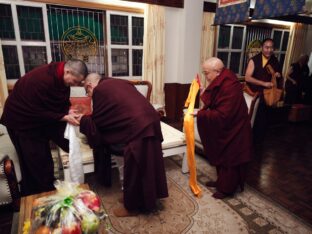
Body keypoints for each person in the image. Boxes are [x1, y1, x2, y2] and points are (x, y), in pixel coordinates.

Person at [78, 73, 168, 217]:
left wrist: (83, 120)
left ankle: (132, 207)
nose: (89, 95)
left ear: (89, 86)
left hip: (139, 128)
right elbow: (116, 112)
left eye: (87, 92)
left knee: (135, 167)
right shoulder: (120, 82)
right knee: (147, 166)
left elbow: (99, 120)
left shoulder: (100, 90)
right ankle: (137, 198)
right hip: (151, 121)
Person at [0, 59, 88, 196]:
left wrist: (66, 111)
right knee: (34, 159)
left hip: (39, 119)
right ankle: (38, 193)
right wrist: (62, 116)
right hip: (22, 120)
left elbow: (57, 101)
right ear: (68, 71)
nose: (75, 85)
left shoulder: (61, 78)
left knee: (45, 157)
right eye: (75, 81)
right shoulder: (42, 80)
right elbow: (36, 110)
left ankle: (47, 186)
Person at [197, 58, 252, 199]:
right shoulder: (221, 79)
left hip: (235, 129)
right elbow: (216, 100)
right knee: (220, 152)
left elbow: (223, 114)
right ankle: (221, 182)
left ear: (217, 72)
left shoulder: (230, 85)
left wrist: (201, 113)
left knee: (230, 158)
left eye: (206, 73)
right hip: (227, 126)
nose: (206, 76)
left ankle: (227, 189)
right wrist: (204, 91)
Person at [245, 38, 283, 142]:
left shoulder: (275, 60)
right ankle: (249, 141)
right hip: (255, 94)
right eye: (266, 47)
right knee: (254, 119)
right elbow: (247, 78)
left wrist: (277, 75)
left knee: (264, 120)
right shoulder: (254, 60)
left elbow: (278, 75)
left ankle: (259, 143)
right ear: (262, 48)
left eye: (271, 48)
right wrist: (263, 83)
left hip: (268, 95)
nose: (269, 50)